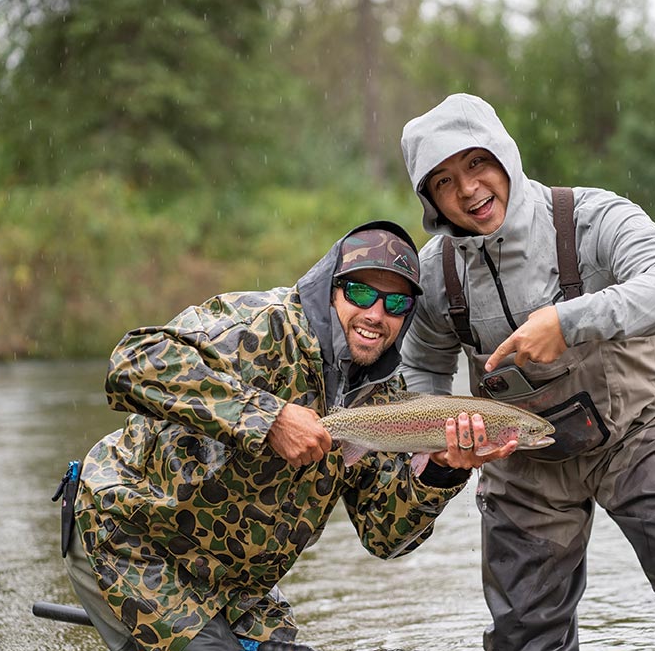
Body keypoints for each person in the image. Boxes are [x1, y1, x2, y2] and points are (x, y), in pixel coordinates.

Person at [398, 93, 655, 651]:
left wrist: (570, 321)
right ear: (430, 199)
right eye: (444, 181)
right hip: (520, 460)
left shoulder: (593, 217)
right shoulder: (434, 272)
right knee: (524, 635)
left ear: (505, 157)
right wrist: (439, 445)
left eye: (476, 163)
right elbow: (422, 364)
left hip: (640, 434)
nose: (468, 189)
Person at [62, 220, 516, 651]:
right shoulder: (259, 324)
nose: (376, 314)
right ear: (332, 289)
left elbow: (384, 536)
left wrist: (439, 472)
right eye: (361, 292)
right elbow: (132, 362)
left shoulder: (384, 400)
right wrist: (268, 417)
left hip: (237, 586)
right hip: (128, 537)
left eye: (396, 304)